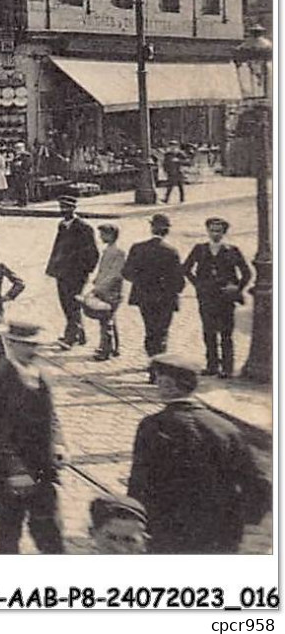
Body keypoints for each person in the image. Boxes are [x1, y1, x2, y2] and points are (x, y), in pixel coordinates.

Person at [129, 354, 269, 552]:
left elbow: (140, 480)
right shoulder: (227, 428)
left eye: (159, 381)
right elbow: (258, 484)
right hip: (219, 534)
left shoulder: (152, 426)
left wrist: (134, 521)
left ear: (167, 385)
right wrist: (239, 523)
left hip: (168, 530)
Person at [0, 320, 67, 554]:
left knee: (50, 532)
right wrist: (16, 470)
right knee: (10, 529)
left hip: (42, 467)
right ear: (10, 344)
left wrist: (58, 443)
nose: (32, 350)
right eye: (26, 345)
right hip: (8, 474)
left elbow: (51, 415)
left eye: (35, 345)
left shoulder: (41, 374)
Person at [183, 217, 253, 378]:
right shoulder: (199, 249)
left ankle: (227, 367)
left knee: (226, 333)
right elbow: (186, 268)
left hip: (225, 298)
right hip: (206, 297)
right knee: (208, 331)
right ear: (207, 231)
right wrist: (198, 284)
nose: (215, 234)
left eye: (219, 231)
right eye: (212, 230)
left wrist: (237, 288)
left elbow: (246, 273)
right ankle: (212, 365)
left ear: (224, 233)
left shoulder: (232, 250)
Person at [121, 212, 184, 373]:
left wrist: (142, 282)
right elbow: (179, 281)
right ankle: (159, 366)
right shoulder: (172, 251)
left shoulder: (138, 248)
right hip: (166, 298)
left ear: (151, 228)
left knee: (150, 330)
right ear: (167, 231)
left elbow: (126, 272)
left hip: (144, 297)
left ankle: (152, 363)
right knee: (162, 332)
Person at [46, 195, 98, 349]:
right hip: (62, 273)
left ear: (74, 209)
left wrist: (85, 271)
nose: (64, 211)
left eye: (67, 208)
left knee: (72, 304)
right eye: (62, 208)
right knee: (66, 304)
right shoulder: (62, 225)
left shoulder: (84, 227)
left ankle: (70, 337)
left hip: (76, 274)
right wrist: (52, 268)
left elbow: (93, 253)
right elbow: (57, 249)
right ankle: (80, 334)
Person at [83, 223, 125, 361]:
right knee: (110, 318)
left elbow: (115, 274)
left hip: (111, 291)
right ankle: (114, 348)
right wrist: (96, 280)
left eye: (103, 234)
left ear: (111, 235)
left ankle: (105, 350)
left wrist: (98, 287)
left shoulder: (118, 252)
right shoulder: (108, 250)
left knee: (105, 321)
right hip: (105, 289)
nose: (100, 237)